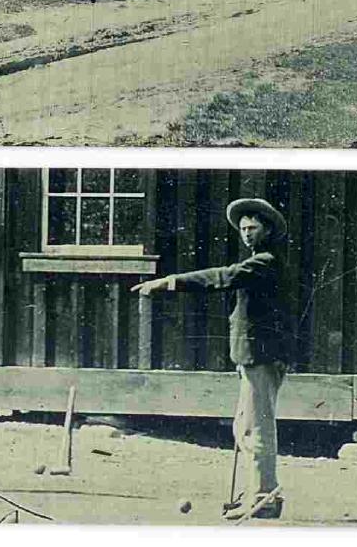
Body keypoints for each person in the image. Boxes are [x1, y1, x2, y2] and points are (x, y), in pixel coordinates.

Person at [133, 198, 291, 521]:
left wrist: (169, 281)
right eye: (243, 229)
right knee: (244, 426)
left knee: (256, 428)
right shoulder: (259, 260)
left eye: (253, 228)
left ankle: (264, 497)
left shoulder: (265, 262)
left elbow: (223, 276)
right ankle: (257, 493)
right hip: (252, 356)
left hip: (261, 356)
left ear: (268, 229)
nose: (247, 234)